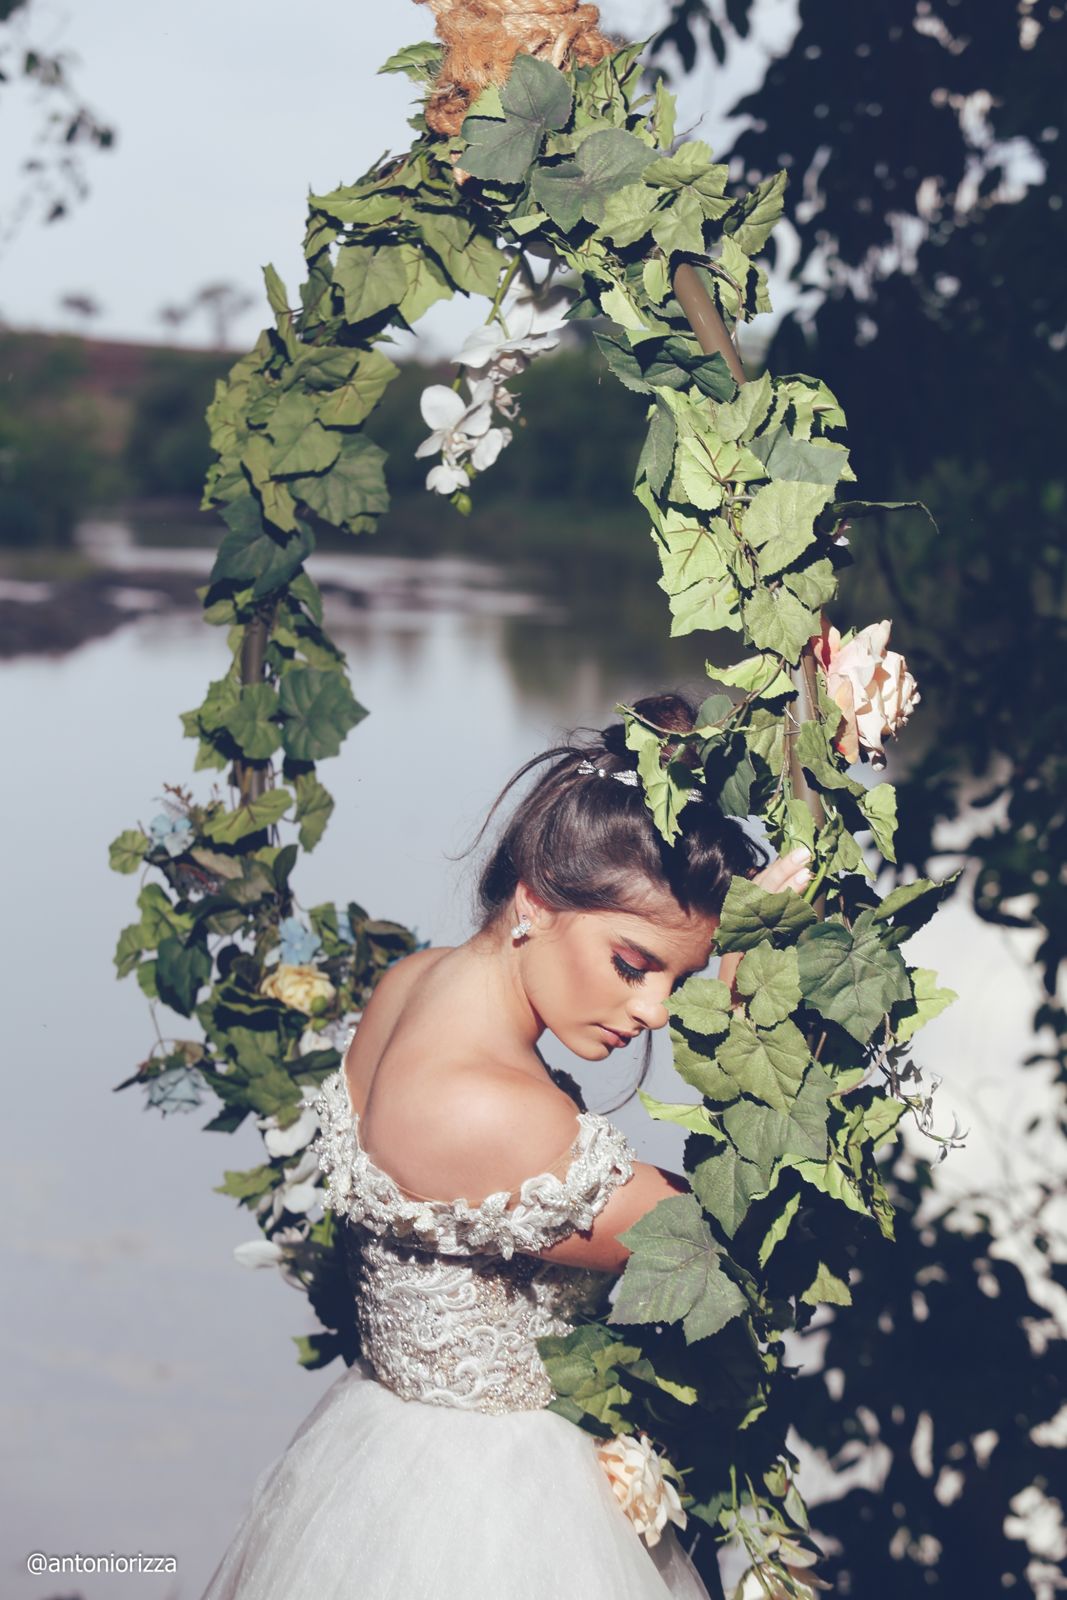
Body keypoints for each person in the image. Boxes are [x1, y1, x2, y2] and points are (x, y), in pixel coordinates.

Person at [199, 692, 813, 1600]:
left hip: (382, 1456)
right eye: (633, 964)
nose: (652, 1013)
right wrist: (747, 1004)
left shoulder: (411, 984)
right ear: (535, 898)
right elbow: (726, 1247)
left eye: (676, 980)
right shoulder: (494, 1114)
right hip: (493, 1518)